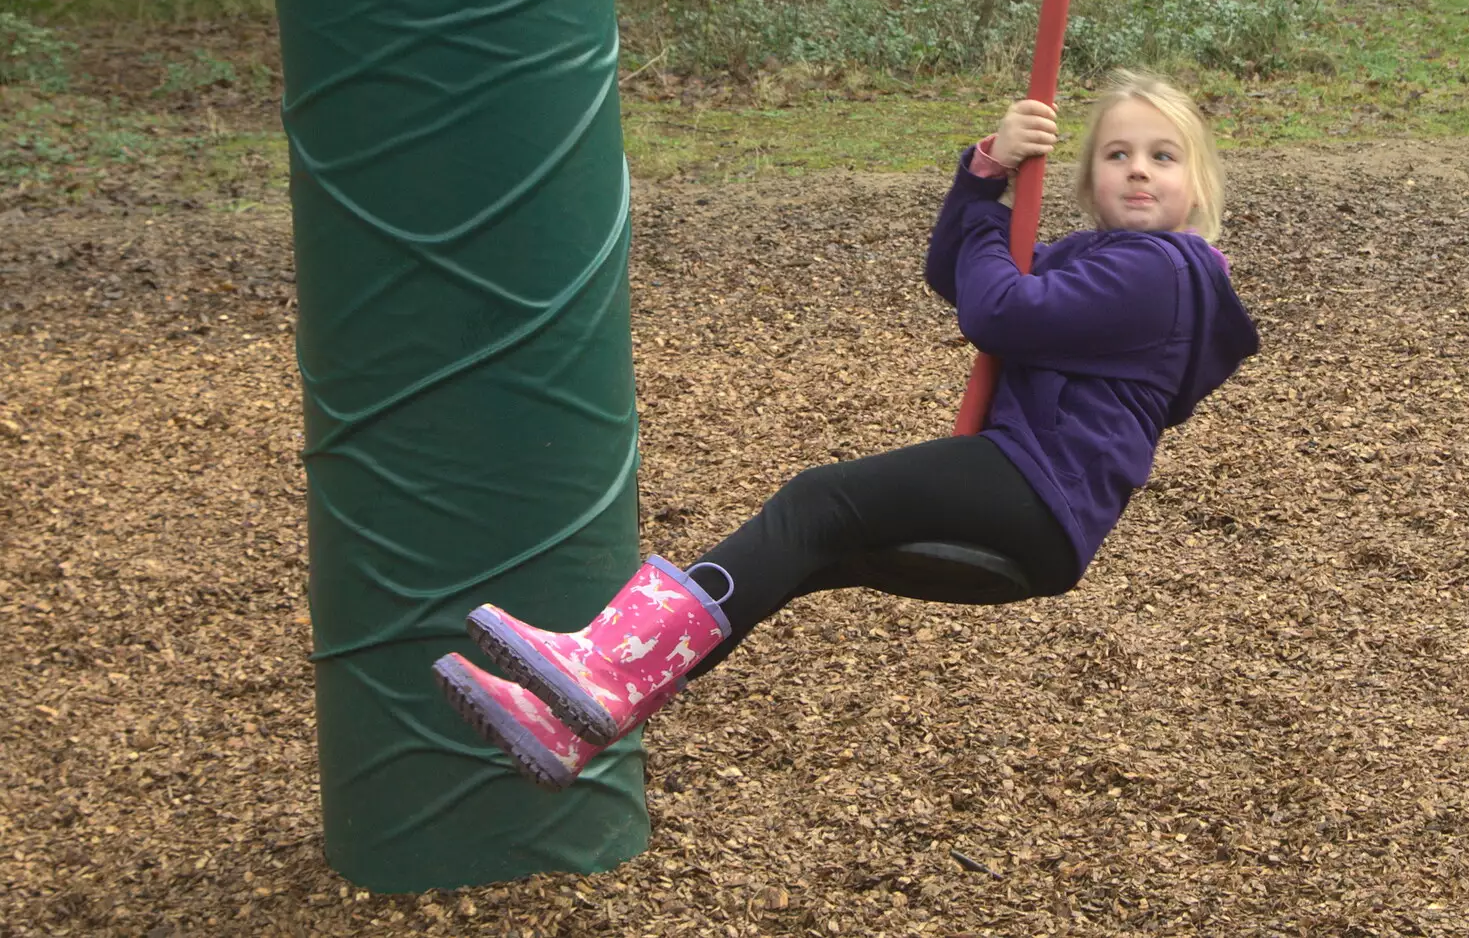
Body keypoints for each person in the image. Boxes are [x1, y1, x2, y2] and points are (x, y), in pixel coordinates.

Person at [431, 69, 1261, 789]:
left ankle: (602, 664)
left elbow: (997, 307)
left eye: (1162, 155)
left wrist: (988, 212)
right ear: (1087, 178)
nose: (1139, 171)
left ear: (1200, 182)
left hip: (1037, 486)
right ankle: (577, 718)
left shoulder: (1161, 272)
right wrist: (985, 176)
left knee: (819, 500)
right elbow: (956, 274)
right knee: (798, 553)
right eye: (1117, 154)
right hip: (1040, 509)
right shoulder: (1103, 258)